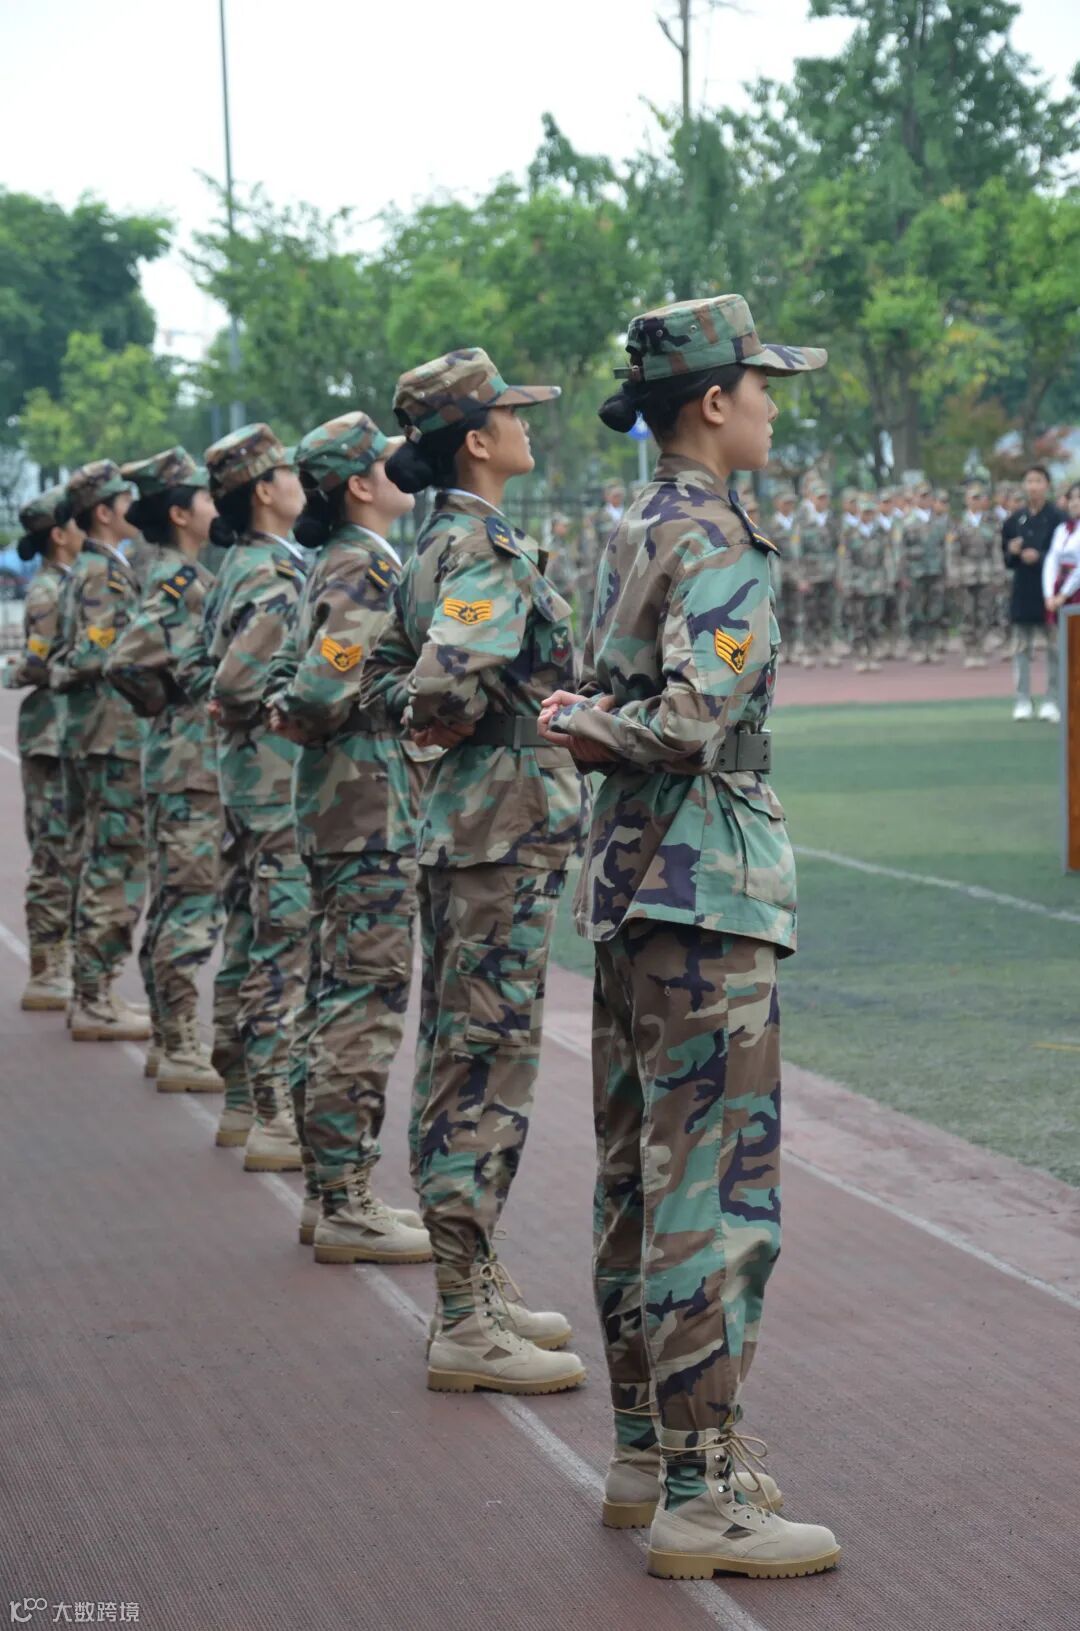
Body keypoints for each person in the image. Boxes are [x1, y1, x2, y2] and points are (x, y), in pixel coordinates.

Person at [538, 293, 840, 1582]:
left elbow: (617, 693)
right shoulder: (715, 534)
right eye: (763, 386)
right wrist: (590, 726)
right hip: (704, 888)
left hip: (631, 882)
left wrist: (587, 719)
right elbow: (691, 718)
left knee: (640, 1177)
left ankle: (646, 1455)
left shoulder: (639, 523)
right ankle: (703, 1492)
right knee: (713, 1195)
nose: (773, 405)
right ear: (714, 402)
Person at [361, 346, 587, 1395]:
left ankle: (475, 1281)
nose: (527, 424)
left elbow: (378, 677)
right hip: (498, 831)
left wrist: (425, 714)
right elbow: (441, 688)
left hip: (478, 828)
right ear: (477, 440)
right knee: (484, 1063)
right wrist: (449, 718)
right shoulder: (481, 548)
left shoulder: (436, 545)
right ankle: (463, 1315)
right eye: (512, 412)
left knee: (467, 1051)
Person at [268, 410, 431, 1263]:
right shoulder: (364, 566)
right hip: (366, 808)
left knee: (336, 994)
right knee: (361, 1002)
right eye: (386, 460)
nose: (404, 466)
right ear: (361, 485)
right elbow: (323, 683)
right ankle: (345, 1200)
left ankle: (329, 1190)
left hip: (349, 806)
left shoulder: (345, 558)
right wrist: (297, 709)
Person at [200, 424, 311, 1168]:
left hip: (246, 779)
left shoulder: (240, 564)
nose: (300, 483)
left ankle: (242, 1096)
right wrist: (270, 702)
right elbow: (235, 680)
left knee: (248, 930)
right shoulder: (273, 572)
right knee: (284, 941)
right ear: (265, 491)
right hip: (273, 783)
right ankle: (274, 1111)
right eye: (289, 473)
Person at [105, 449, 224, 1093]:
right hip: (190, 764)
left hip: (186, 762)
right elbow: (126, 660)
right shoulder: (182, 582)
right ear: (180, 514)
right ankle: (178, 1044)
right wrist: (168, 702)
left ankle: (166, 1037)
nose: (215, 506)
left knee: (179, 899)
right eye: (204, 497)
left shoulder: (186, 575)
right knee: (190, 903)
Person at [49, 460, 150, 1042]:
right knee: (116, 862)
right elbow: (95, 655)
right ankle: (93, 997)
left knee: (103, 859)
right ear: (105, 513)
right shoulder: (102, 575)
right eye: (125, 501)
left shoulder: (98, 568)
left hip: (98, 732)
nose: (135, 509)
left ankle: (94, 991)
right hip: (110, 736)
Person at [2, 488, 84, 1010]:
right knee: (54, 853)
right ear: (58, 535)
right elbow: (35, 664)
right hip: (50, 735)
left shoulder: (71, 583)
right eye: (75, 523)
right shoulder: (49, 591)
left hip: (66, 730)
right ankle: (47, 969)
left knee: (70, 850)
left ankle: (62, 963)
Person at [1003, 464, 1064, 722]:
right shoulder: (1014, 520)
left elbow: (1065, 555)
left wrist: (1040, 556)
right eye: (1029, 481)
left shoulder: (1059, 518)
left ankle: (1053, 699)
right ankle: (1022, 699)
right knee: (1021, 647)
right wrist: (1013, 552)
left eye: (1038, 481)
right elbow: (1006, 558)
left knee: (1055, 648)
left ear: (1047, 485)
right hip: (1023, 589)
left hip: (1051, 591)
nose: (1033, 486)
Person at [951, 483, 998, 667]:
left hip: (985, 573)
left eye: (980, 498)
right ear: (967, 500)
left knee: (984, 612)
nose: (977, 501)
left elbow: (995, 550)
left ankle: (980, 646)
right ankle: (970, 649)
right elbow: (953, 551)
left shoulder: (990, 522)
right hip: (966, 574)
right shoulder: (958, 523)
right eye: (974, 498)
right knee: (967, 612)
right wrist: (954, 574)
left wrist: (998, 572)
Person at [848, 492, 885, 671]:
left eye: (870, 512)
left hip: (876, 582)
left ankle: (873, 653)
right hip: (858, 583)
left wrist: (886, 579)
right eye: (865, 512)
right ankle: (861, 655)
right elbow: (845, 559)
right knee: (859, 621)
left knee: (875, 621)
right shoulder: (850, 534)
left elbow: (887, 558)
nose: (868, 515)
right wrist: (848, 581)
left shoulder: (880, 533)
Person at [1043, 481, 1080, 637]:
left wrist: (1064, 594)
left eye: (1079, 498)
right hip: (1060, 587)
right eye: (1071, 498)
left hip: (1075, 590)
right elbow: (1052, 560)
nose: (1074, 503)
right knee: (1064, 639)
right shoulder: (1062, 529)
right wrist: (1049, 594)